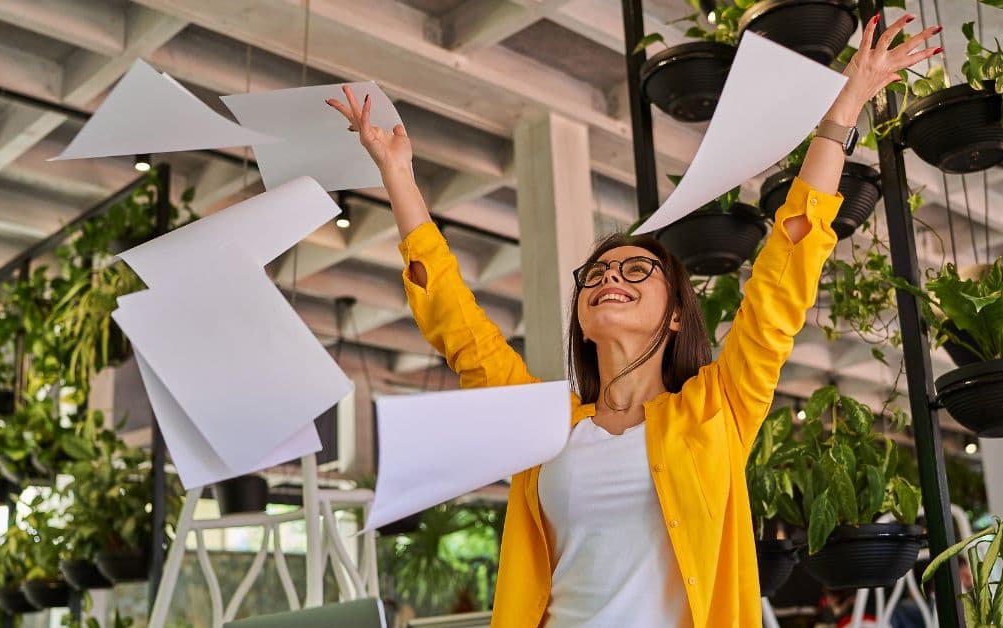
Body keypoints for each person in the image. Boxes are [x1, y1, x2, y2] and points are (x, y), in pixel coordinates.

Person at [328, 13, 941, 628]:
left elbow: (789, 265)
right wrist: (398, 176)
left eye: (634, 272)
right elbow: (458, 326)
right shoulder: (540, 426)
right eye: (596, 275)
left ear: (676, 317)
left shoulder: (717, 407)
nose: (610, 279)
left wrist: (844, 110)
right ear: (582, 317)